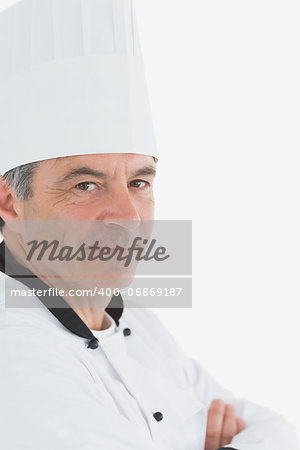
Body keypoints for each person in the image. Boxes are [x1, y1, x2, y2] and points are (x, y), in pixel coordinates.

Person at [0, 1, 298, 449]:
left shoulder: (138, 320)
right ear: (10, 202)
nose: (128, 216)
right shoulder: (13, 355)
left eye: (139, 181)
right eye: (85, 185)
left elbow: (277, 429)